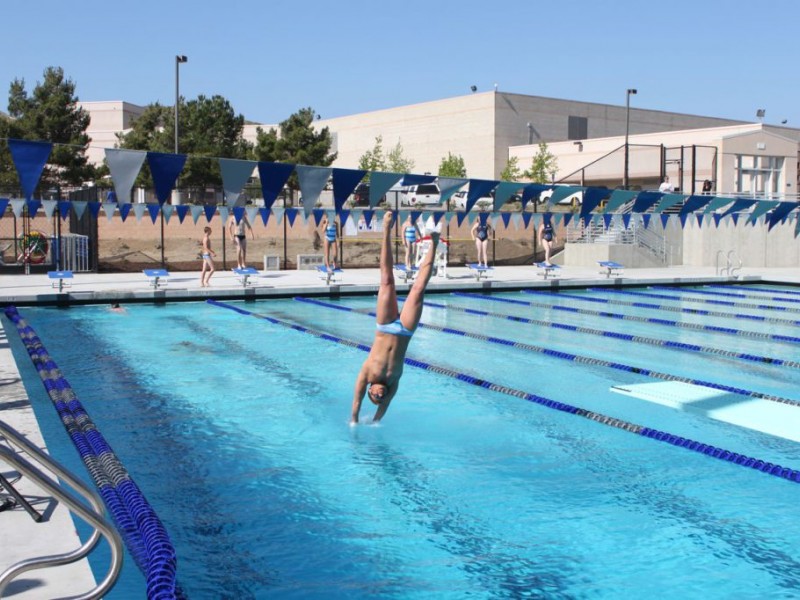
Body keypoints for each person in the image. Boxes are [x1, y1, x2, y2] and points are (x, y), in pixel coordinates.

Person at [350, 210, 440, 424]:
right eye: (381, 397)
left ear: (370, 391)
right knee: (418, 288)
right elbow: (384, 408)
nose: (379, 394)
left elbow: (355, 403)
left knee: (387, 280)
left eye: (374, 395)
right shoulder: (394, 381)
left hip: (384, 326)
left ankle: (387, 231)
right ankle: (434, 243)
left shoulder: (366, 374)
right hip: (405, 330)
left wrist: (354, 422)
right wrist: (375, 421)